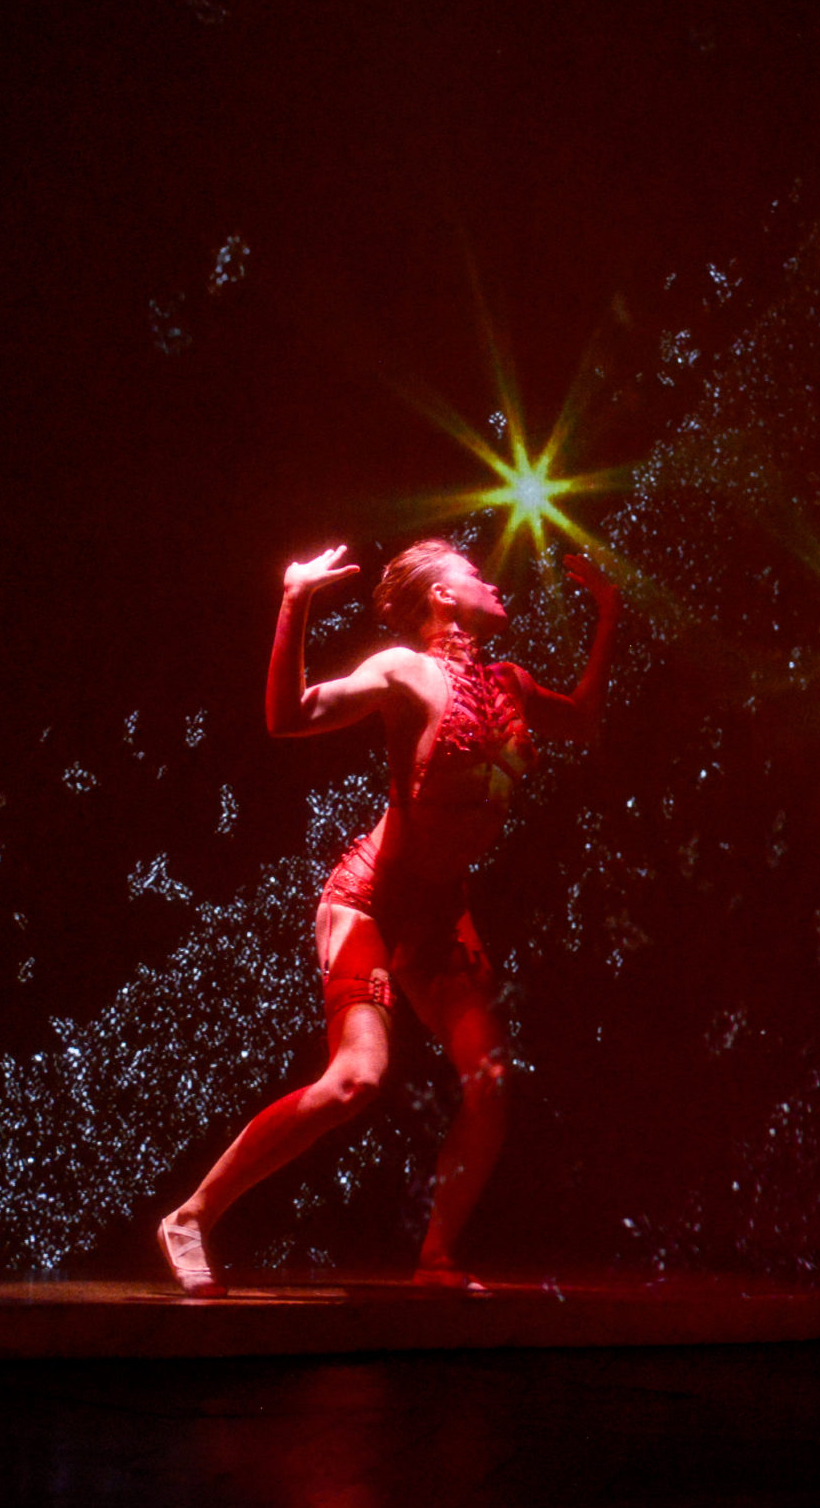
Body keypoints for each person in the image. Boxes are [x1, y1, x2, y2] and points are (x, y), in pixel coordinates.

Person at [157, 535, 619, 1294]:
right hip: (368, 900)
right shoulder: (404, 671)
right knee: (356, 1081)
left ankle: (436, 1258)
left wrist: (608, 617)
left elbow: (586, 720)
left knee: (490, 1080)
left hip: (440, 913)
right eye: (474, 575)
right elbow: (289, 716)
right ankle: (192, 1216)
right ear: (442, 596)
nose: (493, 584)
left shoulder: (510, 684)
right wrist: (294, 600)